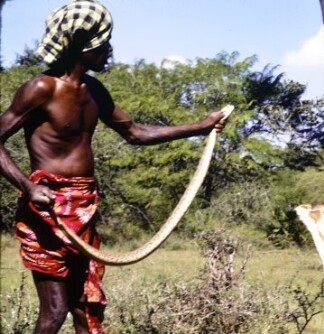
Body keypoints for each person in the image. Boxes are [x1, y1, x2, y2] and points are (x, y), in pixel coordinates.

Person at [0, 1, 226, 333]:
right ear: (82, 45)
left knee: (85, 308)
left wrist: (200, 127)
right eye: (104, 43)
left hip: (85, 206)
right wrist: (28, 187)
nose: (110, 50)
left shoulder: (94, 91)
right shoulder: (40, 88)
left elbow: (134, 133)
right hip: (48, 209)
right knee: (55, 310)